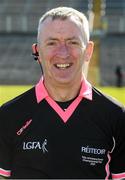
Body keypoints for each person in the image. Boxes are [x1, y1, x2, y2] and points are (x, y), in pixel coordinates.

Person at [0, 7, 125, 179]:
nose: (63, 53)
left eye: (72, 42)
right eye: (52, 43)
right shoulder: (8, 116)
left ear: (88, 51)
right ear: (37, 51)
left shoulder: (117, 117)